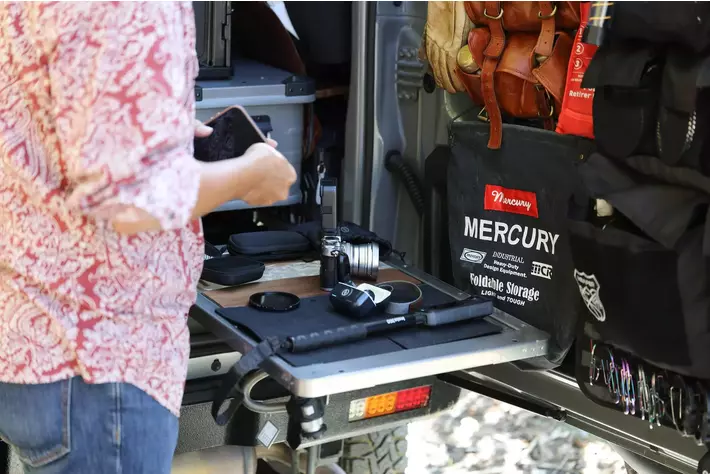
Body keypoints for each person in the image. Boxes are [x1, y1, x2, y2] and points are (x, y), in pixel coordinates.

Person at [0, 2, 296, 473]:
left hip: (34, 340)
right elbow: (129, 197)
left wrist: (160, 132)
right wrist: (248, 176)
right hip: (100, 367)